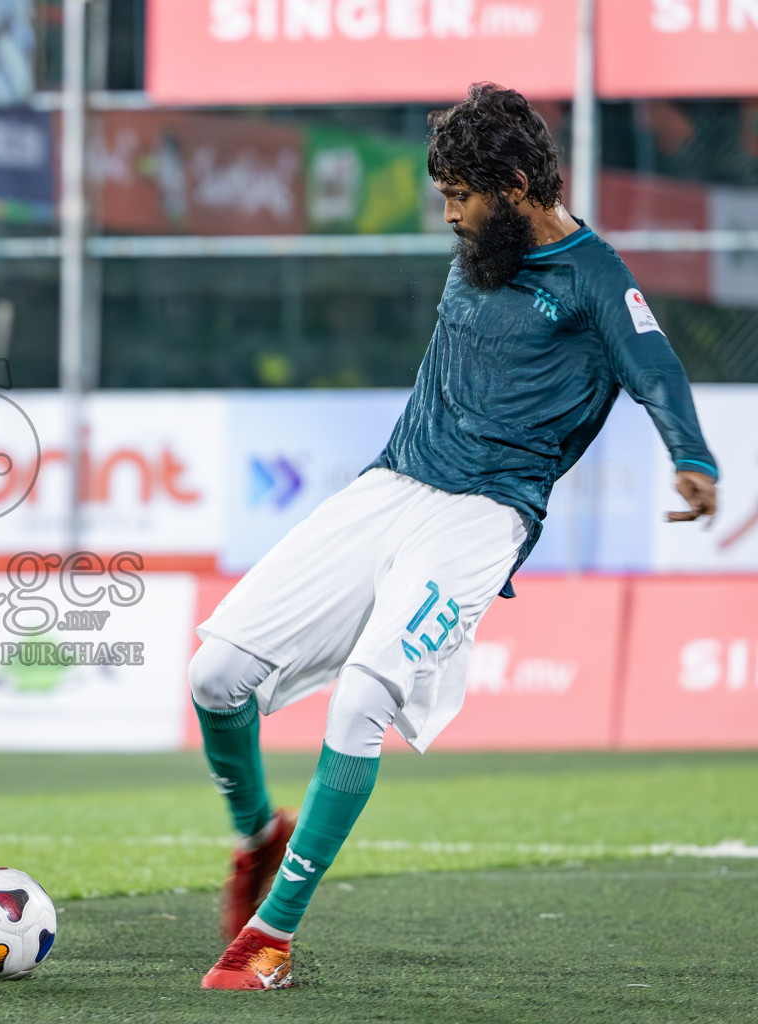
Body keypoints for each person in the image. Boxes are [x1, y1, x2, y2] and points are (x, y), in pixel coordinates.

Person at [190, 84, 720, 990]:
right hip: (392, 483)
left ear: (514, 185)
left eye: (459, 198)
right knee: (214, 676)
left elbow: (656, 367)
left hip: (483, 518)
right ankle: (258, 838)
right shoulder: (482, 248)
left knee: (363, 701)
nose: (449, 216)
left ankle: (270, 939)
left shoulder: (596, 278)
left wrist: (693, 456)